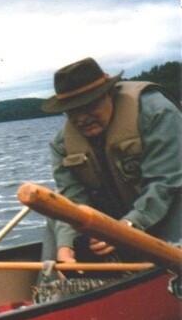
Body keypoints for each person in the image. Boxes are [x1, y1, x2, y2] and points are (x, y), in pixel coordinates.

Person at [40, 57, 182, 264]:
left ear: (109, 94)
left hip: (164, 209)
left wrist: (126, 227)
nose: (81, 118)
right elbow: (72, 199)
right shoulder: (61, 144)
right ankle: (60, 279)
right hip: (117, 225)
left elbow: (165, 182)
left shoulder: (157, 112)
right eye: (72, 110)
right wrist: (65, 247)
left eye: (88, 106)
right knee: (55, 210)